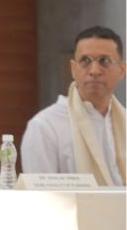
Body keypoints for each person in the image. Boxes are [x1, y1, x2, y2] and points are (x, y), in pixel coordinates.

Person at [21, 26, 126, 186]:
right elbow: (42, 197)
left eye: (104, 61)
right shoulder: (45, 126)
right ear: (73, 68)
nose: (94, 71)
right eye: (85, 61)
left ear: (122, 70)